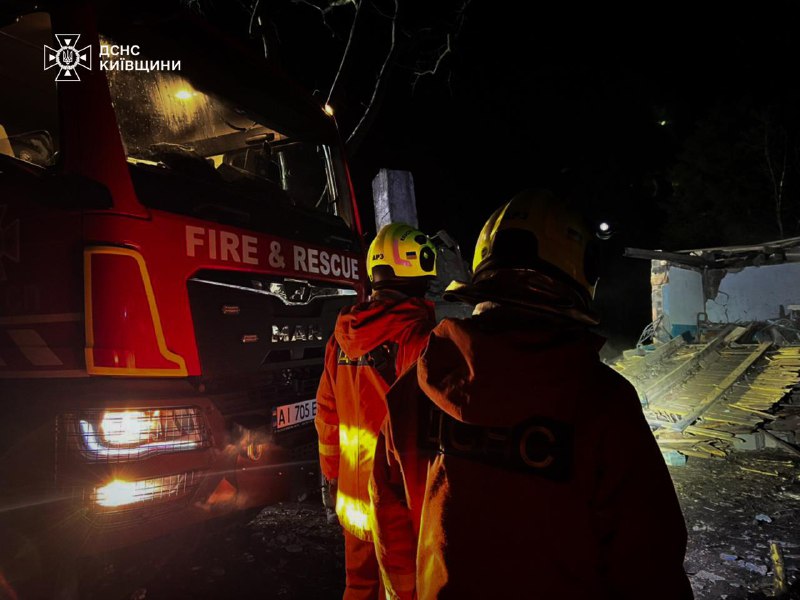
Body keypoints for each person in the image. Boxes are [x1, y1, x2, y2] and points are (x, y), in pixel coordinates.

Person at [369, 190, 694, 600]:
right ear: (582, 273)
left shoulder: (415, 391)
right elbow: (648, 562)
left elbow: (390, 515)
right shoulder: (604, 404)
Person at [315, 222, 438, 600]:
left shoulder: (341, 339)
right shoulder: (418, 340)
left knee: (358, 588)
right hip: (400, 506)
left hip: (353, 502)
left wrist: (331, 477)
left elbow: (327, 414)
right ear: (419, 276)